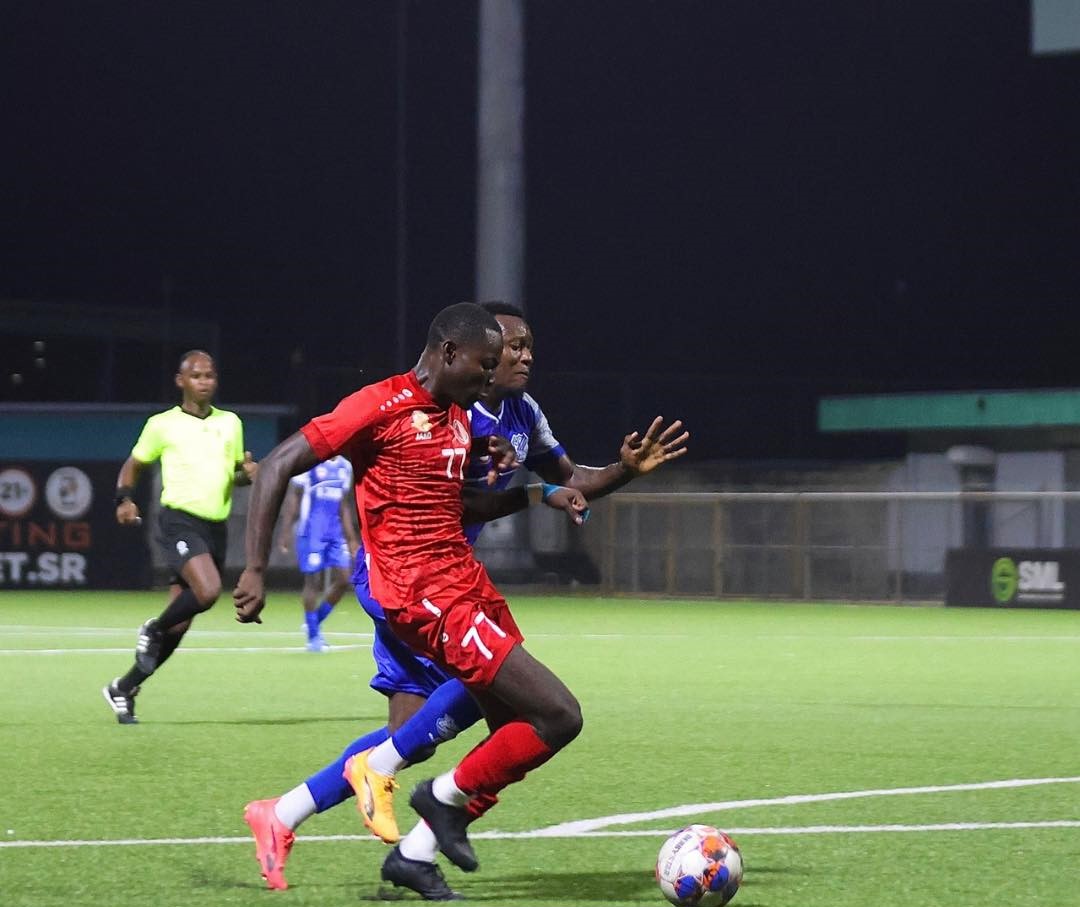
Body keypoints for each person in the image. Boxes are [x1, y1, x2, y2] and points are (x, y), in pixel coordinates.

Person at [238, 302, 689, 896]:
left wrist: (543, 484)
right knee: (541, 712)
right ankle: (392, 779)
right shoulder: (384, 406)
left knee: (495, 720)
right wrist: (254, 568)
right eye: (493, 358)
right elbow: (279, 464)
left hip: (462, 580)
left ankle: (380, 838)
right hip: (416, 591)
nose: (503, 367)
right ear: (454, 352)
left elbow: (469, 498)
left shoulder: (466, 416)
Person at [102, 350, 258, 724]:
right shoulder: (163, 424)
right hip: (179, 521)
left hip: (214, 527)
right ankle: (152, 628)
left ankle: (124, 687)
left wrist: (246, 473)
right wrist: (124, 498)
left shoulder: (230, 423)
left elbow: (235, 473)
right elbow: (134, 464)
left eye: (210, 375)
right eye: (197, 375)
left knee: (180, 624)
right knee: (208, 590)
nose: (204, 381)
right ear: (181, 381)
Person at [275, 455, 359, 652]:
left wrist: (351, 538)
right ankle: (313, 637)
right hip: (311, 533)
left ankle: (314, 621)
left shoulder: (345, 467)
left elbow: (343, 505)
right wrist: (286, 531)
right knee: (313, 581)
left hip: (335, 534)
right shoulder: (309, 463)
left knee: (345, 579)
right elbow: (294, 497)